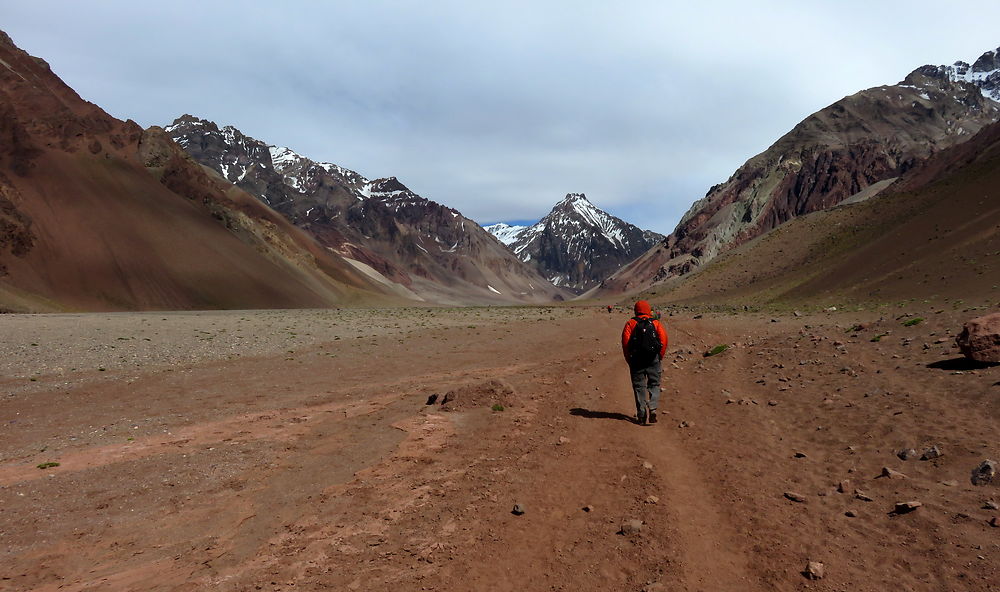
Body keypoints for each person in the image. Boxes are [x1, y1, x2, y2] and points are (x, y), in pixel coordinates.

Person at [621, 300, 668, 425]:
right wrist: (659, 356)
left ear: (636, 310)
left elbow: (625, 344)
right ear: (648, 310)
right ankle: (652, 407)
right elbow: (663, 340)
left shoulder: (630, 323)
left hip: (636, 360)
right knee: (654, 384)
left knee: (639, 387)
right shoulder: (656, 323)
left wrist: (629, 359)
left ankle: (641, 414)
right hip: (653, 359)